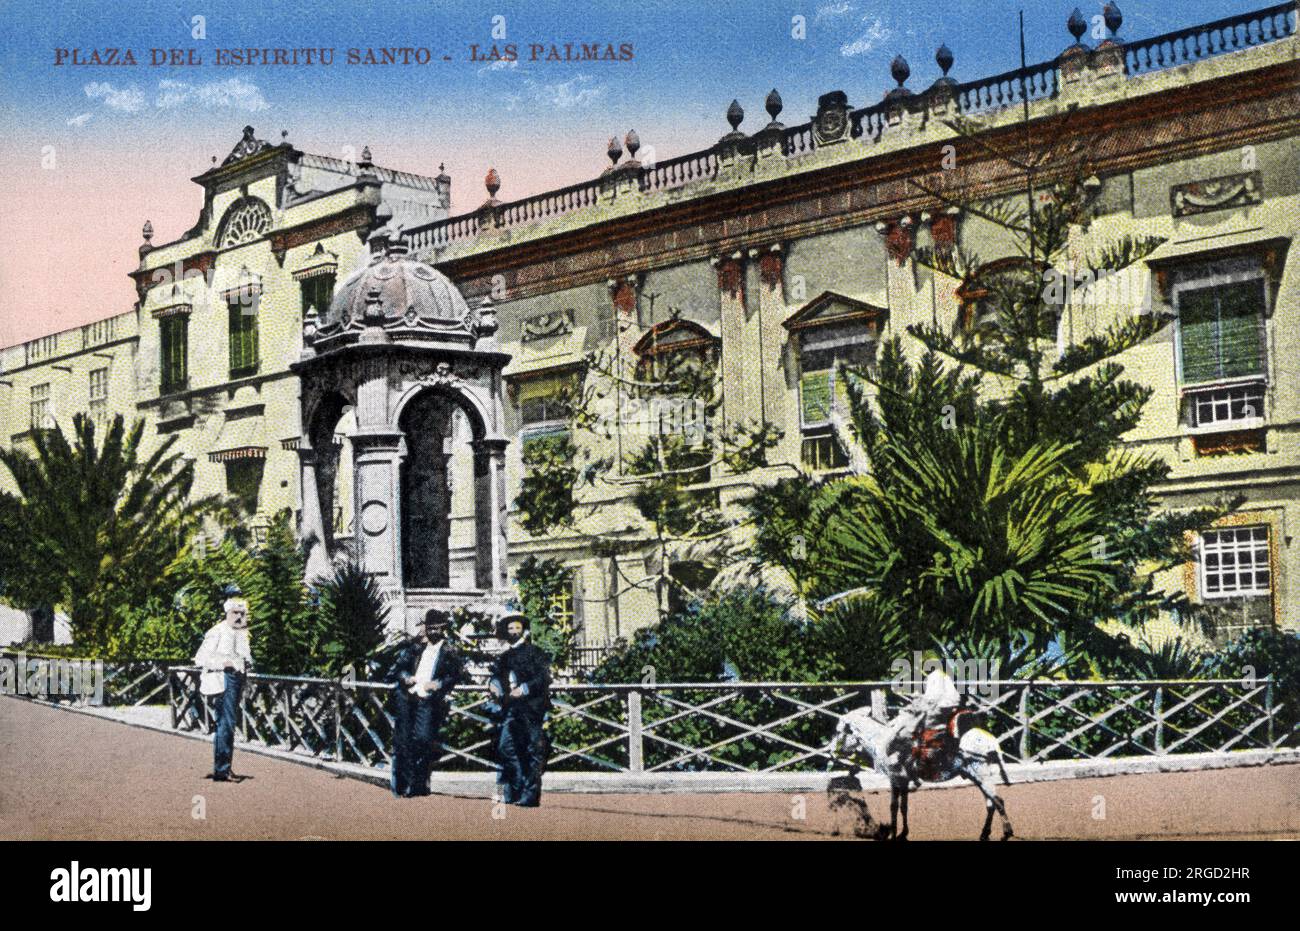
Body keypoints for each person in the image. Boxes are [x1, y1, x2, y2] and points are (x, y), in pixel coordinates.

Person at [384, 609, 465, 798]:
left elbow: (456, 675)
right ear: (426, 629)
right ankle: (402, 787)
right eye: (430, 628)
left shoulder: (450, 650)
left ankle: (418, 784)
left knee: (422, 739)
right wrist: (406, 678)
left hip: (428, 700)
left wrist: (439, 684)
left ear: (444, 629)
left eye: (437, 628)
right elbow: (398, 669)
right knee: (403, 741)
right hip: (407, 698)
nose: (434, 632)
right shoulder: (415, 649)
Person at [488, 612, 552, 807]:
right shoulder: (505, 656)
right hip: (511, 709)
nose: (514, 632)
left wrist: (524, 689)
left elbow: (543, 678)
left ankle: (530, 795)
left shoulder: (535, 652)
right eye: (510, 628)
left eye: (517, 628)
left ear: (523, 630)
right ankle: (516, 788)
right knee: (506, 747)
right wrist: (493, 684)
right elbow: (497, 675)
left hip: (531, 709)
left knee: (532, 750)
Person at [193, 596, 254, 782]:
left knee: (229, 723)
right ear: (227, 613)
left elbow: (245, 656)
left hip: (237, 679)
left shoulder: (241, 632)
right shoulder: (216, 631)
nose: (239, 617)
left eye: (242, 613)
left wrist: (248, 666)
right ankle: (222, 769)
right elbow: (200, 659)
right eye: (235, 613)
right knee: (225, 724)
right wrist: (224, 663)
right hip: (222, 680)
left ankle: (224, 767)